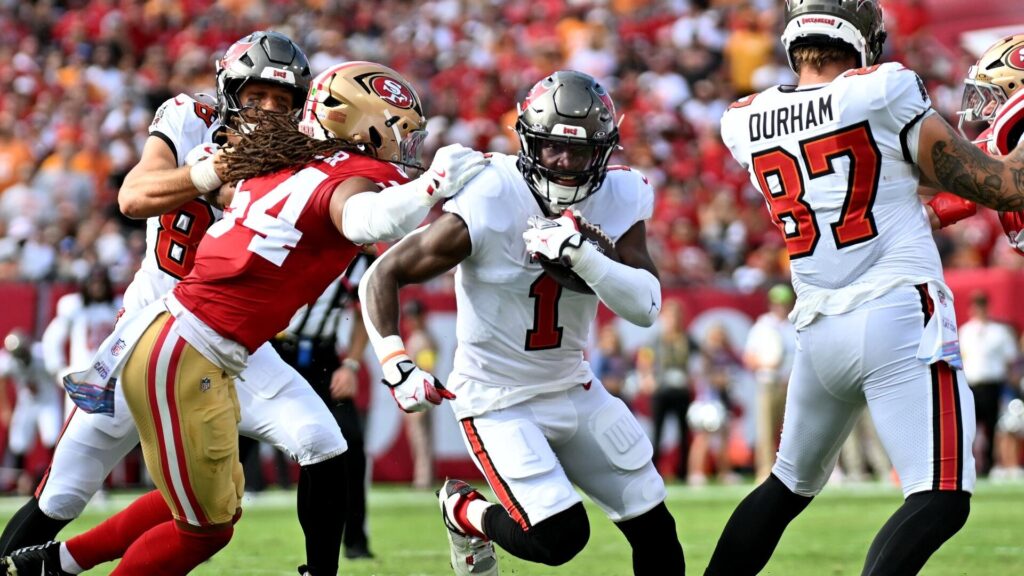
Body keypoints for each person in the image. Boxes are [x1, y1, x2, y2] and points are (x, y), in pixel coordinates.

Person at [0, 60, 484, 576]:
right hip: (167, 329)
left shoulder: (293, 162)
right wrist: (212, 171)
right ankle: (41, 564)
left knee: (306, 450)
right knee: (71, 494)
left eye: (283, 100)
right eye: (257, 96)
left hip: (234, 343)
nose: (270, 109)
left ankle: (60, 565)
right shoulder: (196, 124)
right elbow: (133, 197)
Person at [705, 2, 1024, 574]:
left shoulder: (744, 120)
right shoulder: (883, 90)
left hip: (819, 328)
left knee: (785, 488)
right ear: (861, 36)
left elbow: (892, 185)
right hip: (899, 314)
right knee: (941, 496)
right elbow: (1002, 185)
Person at [358, 70, 685, 576]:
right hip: (496, 396)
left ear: (605, 150)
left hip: (573, 384)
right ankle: (462, 510)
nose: (566, 162)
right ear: (529, 141)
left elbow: (645, 306)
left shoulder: (621, 195)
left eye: (580, 151)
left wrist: (584, 257)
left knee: (655, 527)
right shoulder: (490, 194)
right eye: (553, 148)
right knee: (559, 538)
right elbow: (384, 273)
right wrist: (396, 362)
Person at [271, 252, 378, 560]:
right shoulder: (295, 236)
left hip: (323, 358)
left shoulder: (359, 259)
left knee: (351, 443)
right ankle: (197, 526)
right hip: (272, 350)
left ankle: (355, 539)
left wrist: (353, 364)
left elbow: (366, 313)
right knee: (233, 442)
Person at [40, 266, 120, 416]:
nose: (97, 288)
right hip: (81, 378)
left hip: (112, 378)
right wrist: (58, 369)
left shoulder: (118, 306)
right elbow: (52, 338)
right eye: (94, 283)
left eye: (101, 284)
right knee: (75, 431)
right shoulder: (74, 306)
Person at [958, 291, 1017, 477]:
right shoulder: (965, 331)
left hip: (992, 384)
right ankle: (969, 464)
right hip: (971, 384)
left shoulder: (998, 332)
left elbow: (1010, 360)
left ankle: (988, 466)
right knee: (969, 426)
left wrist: (1011, 383)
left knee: (992, 426)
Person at [742, 283, 795, 481]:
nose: (781, 306)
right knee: (766, 429)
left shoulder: (793, 325)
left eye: (784, 303)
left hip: (790, 383)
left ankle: (789, 472)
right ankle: (764, 471)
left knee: (790, 430)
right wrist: (766, 365)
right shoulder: (762, 327)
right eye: (777, 303)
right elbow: (749, 357)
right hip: (768, 382)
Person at [0, 330, 60, 495]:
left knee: (52, 437)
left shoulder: (43, 354)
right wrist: (4, 408)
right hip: (26, 403)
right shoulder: (7, 360)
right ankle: (18, 482)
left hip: (48, 401)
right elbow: (2, 379)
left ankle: (55, 478)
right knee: (18, 442)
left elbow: (58, 371)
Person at [401, 299, 438, 490]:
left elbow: (427, 368)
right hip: (417, 395)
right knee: (419, 439)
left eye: (413, 316)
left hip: (420, 395)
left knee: (421, 439)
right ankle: (423, 477)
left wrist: (422, 396)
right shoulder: (420, 336)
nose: (410, 320)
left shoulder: (422, 339)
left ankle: (423, 479)